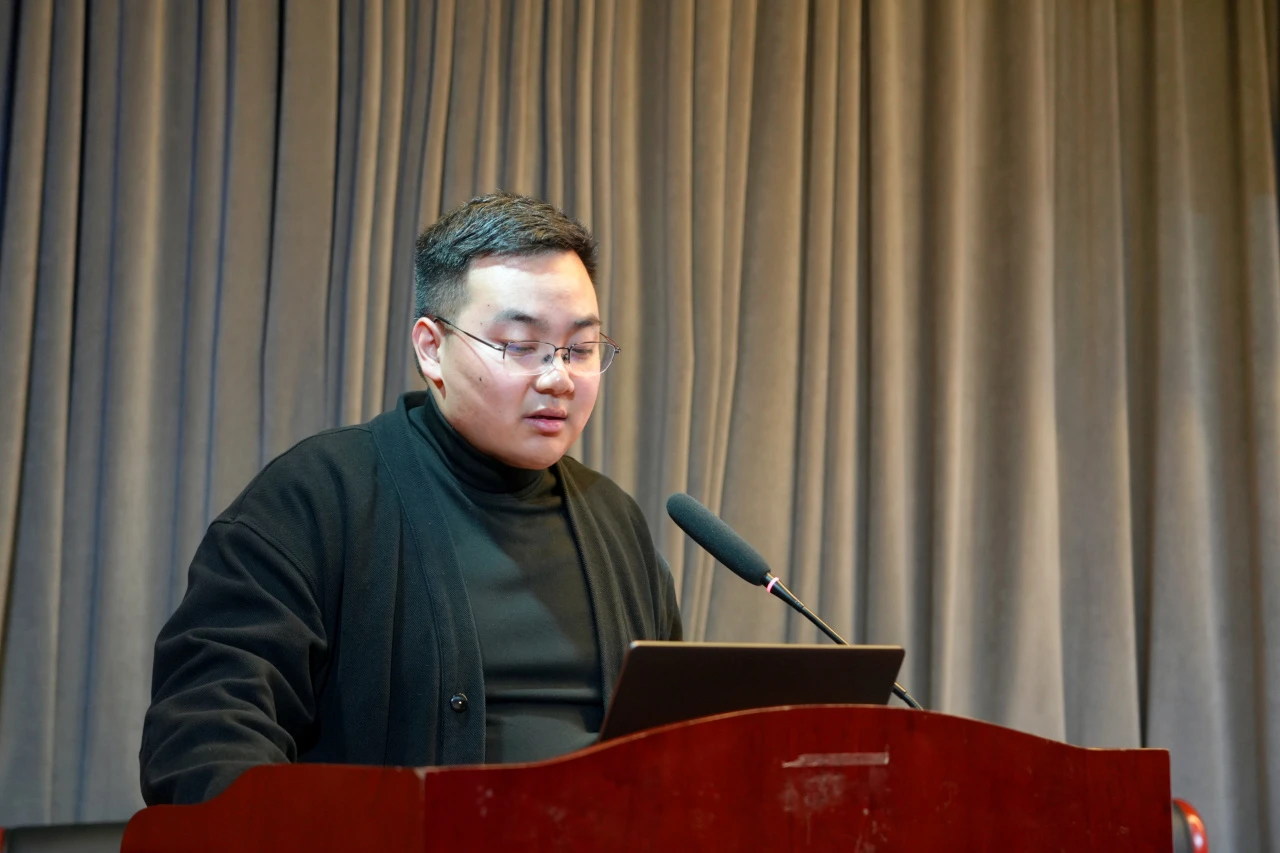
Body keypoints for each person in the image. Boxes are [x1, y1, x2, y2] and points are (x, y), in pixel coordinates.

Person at [140, 192, 682, 805]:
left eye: (579, 350)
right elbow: (205, 729)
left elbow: (675, 746)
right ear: (431, 348)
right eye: (519, 345)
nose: (558, 377)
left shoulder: (616, 524)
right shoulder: (318, 498)